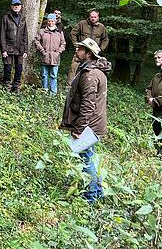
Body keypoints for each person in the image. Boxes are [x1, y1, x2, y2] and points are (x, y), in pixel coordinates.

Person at [60, 38, 111, 203]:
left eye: (80, 49)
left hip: (89, 126)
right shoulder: (91, 70)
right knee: (89, 157)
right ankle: (96, 192)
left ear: (89, 54)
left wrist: (79, 129)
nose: (76, 50)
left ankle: (91, 197)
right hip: (92, 124)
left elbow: (88, 106)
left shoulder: (90, 74)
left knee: (87, 159)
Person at [67, 10, 110, 86]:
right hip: (81, 51)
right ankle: (69, 87)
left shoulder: (101, 27)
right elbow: (73, 33)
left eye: (95, 17)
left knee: (91, 70)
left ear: (98, 17)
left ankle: (88, 86)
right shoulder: (82, 24)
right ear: (89, 16)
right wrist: (76, 46)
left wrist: (100, 49)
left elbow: (105, 39)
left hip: (93, 53)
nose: (93, 18)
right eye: (92, 17)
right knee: (73, 69)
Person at [0, 0, 28, 93]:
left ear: (20, 7)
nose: (16, 6)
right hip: (8, 47)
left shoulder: (23, 18)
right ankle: (7, 86)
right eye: (14, 5)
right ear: (11, 6)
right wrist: (3, 49)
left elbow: (25, 35)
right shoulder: (6, 18)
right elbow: (2, 34)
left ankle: (16, 86)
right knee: (7, 68)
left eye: (18, 5)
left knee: (19, 69)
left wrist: (25, 50)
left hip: (20, 48)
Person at [34, 13, 67, 95]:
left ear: (55, 21)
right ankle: (44, 91)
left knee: (53, 75)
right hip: (44, 56)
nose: (50, 22)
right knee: (44, 75)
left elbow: (63, 43)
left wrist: (58, 52)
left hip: (55, 58)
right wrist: (42, 50)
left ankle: (53, 93)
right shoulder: (42, 31)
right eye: (49, 21)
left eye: (52, 21)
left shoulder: (59, 32)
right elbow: (36, 41)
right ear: (47, 21)